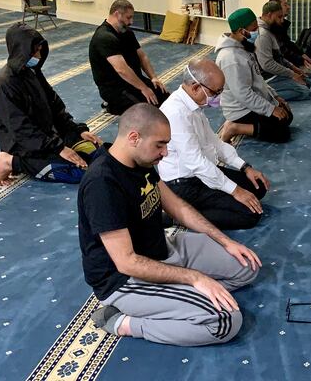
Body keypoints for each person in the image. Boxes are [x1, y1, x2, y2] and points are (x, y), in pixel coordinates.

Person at [79, 103, 261, 346]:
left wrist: (226, 242)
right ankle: (124, 322)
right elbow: (126, 262)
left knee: (247, 267)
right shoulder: (102, 183)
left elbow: (177, 206)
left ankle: (184, 297)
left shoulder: (140, 161)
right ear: (134, 137)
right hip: (125, 279)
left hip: (162, 248)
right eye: (160, 144)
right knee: (226, 320)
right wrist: (194, 278)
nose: (165, 153)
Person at [158, 58, 270, 230]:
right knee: (249, 215)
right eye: (216, 92)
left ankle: (199, 206)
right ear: (196, 87)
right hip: (183, 183)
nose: (218, 97)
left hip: (203, 171)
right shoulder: (176, 113)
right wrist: (235, 191)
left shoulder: (193, 104)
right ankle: (176, 215)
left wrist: (245, 167)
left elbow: (214, 142)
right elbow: (196, 163)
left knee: (258, 187)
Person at [0, 23, 103, 186]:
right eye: (34, 51)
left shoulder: (33, 72)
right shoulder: (4, 84)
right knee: (80, 173)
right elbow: (21, 131)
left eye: (39, 50)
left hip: (48, 138)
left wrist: (76, 131)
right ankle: (10, 161)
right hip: (24, 146)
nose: (38, 54)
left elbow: (55, 106)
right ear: (21, 51)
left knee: (97, 152)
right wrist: (59, 148)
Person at [215, 7, 293, 143]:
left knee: (287, 116)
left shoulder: (243, 47)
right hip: (240, 109)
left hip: (251, 100)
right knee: (282, 133)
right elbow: (243, 94)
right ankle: (234, 127)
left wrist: (275, 96)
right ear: (241, 31)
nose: (257, 32)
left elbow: (258, 79)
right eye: (253, 29)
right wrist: (270, 109)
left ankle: (251, 125)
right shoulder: (231, 58)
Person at [89, 0, 169, 115]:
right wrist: (144, 88)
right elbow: (122, 70)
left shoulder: (127, 32)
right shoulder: (104, 37)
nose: (131, 21)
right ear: (117, 14)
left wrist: (153, 78)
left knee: (165, 98)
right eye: (128, 17)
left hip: (134, 80)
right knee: (147, 111)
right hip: (115, 88)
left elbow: (142, 57)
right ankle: (112, 105)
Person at [255, 1, 311, 101]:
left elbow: (278, 56)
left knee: (307, 82)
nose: (282, 21)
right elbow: (267, 65)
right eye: (279, 17)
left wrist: (293, 68)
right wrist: (292, 74)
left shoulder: (271, 29)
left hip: (275, 74)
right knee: (303, 91)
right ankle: (261, 96)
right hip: (268, 78)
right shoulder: (263, 35)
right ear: (269, 15)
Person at [268, 0, 311, 72]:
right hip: (277, 62)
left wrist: (303, 55)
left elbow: (287, 43)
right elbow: (282, 50)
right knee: (310, 70)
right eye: (285, 5)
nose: (288, 7)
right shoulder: (272, 25)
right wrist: (300, 60)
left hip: (284, 59)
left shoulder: (281, 23)